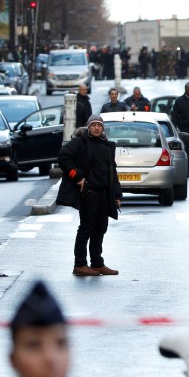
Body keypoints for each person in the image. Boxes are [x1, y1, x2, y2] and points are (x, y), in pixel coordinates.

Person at [57, 114, 122, 276]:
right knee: (86, 229)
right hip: (88, 193)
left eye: (99, 125)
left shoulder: (106, 146)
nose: (96, 128)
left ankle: (97, 263)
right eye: (93, 125)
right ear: (88, 127)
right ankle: (79, 265)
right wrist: (77, 176)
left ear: (102, 128)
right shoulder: (80, 142)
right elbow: (63, 158)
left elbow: (112, 172)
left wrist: (117, 194)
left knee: (100, 229)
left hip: (104, 194)